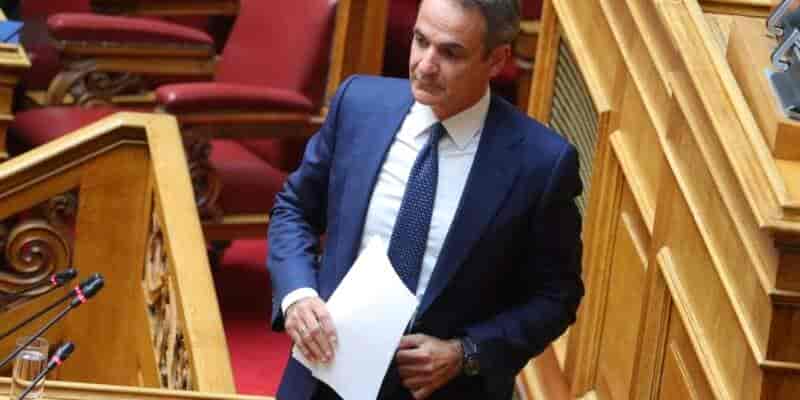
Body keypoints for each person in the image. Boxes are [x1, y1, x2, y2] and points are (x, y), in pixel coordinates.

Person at [267, 0, 584, 399]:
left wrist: (466, 352)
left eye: (450, 53)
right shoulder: (358, 104)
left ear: (496, 60)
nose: (425, 65)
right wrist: (298, 296)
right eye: (420, 41)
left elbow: (556, 296)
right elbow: (294, 209)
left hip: (444, 391)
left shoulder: (541, 163)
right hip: (322, 376)